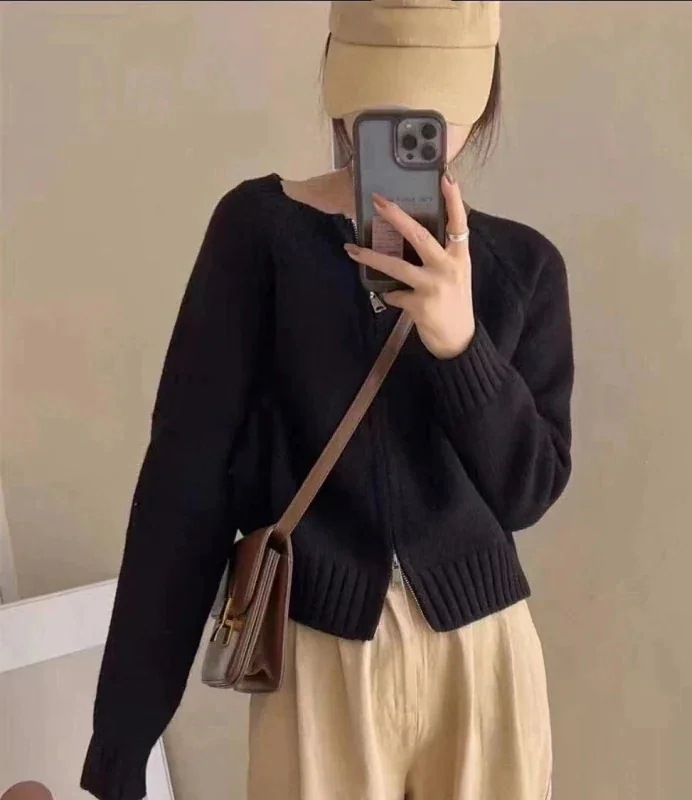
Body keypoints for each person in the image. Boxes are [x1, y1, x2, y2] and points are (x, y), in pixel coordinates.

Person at [80, 2, 573, 799]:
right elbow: (183, 488)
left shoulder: (523, 265)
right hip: (319, 660)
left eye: (434, 103)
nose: (411, 120)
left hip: (485, 662)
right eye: (390, 94)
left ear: (482, 96)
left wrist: (460, 345)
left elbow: (529, 490)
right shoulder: (259, 233)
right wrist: (123, 740)